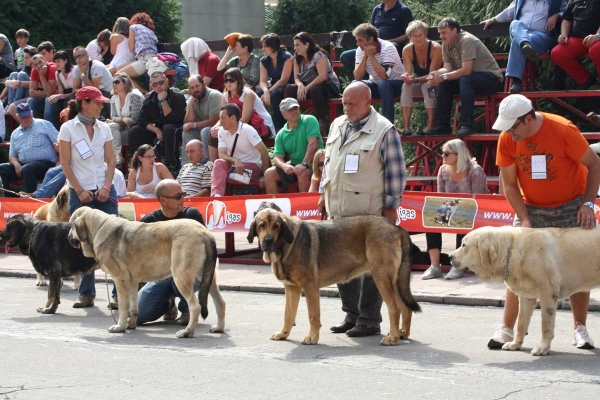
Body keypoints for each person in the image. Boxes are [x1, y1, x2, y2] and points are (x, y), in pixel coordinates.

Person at [489, 94, 600, 350]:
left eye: (512, 126)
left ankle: (579, 328)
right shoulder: (507, 138)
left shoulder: (562, 129)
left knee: (578, 265)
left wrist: (589, 203)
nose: (508, 132)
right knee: (515, 267)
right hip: (531, 208)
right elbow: (509, 184)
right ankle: (507, 328)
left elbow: (594, 164)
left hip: (571, 205)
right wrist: (525, 219)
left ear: (528, 118)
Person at [319, 81, 406, 338]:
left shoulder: (384, 130)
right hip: (339, 210)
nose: (347, 108)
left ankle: (369, 319)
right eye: (344, 103)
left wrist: (391, 207)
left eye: (352, 103)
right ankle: (351, 315)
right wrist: (322, 195)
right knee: (341, 265)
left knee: (372, 268)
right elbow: (328, 163)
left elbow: (396, 172)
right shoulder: (337, 125)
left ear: (368, 101)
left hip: (369, 214)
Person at [58, 86, 118, 308]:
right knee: (83, 243)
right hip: (79, 191)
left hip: (103, 188)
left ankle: (118, 295)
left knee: (114, 240)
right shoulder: (67, 129)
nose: (101, 105)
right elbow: (65, 163)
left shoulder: (105, 128)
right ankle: (86, 293)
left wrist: (106, 186)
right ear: (85, 103)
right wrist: (80, 190)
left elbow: (111, 160)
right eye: (98, 102)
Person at [136, 179, 208, 326]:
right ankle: (168, 305)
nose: (183, 199)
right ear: (163, 200)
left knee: (183, 275)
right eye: (178, 196)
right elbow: (140, 256)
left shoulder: (192, 215)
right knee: (139, 315)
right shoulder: (149, 221)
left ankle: (186, 309)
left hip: (189, 270)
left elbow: (206, 247)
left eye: (183, 194)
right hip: (160, 275)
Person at [421, 139, 489, 280]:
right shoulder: (443, 170)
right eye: (443, 153)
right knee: (431, 218)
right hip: (451, 206)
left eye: (446, 154)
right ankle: (435, 266)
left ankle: (458, 265)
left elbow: (479, 198)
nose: (443, 157)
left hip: (474, 209)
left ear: (459, 155)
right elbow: (441, 197)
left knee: (462, 218)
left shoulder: (475, 171)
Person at [426, 18, 503, 138]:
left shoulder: (467, 40)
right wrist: (436, 74)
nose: (441, 36)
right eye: (440, 33)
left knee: (465, 80)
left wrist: (444, 76)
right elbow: (447, 68)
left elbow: (466, 70)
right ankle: (443, 125)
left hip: (491, 79)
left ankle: (467, 125)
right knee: (446, 83)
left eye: (444, 32)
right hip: (470, 79)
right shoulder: (446, 44)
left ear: (454, 31)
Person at [482, 0, 566, 93]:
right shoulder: (521, 1)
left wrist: (557, 15)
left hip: (540, 37)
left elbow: (568, 12)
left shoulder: (556, 1)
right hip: (521, 32)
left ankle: (516, 82)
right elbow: (508, 11)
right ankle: (524, 44)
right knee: (515, 23)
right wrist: (493, 20)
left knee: (517, 41)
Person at [128, 71, 186, 175]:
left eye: (161, 83)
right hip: (159, 129)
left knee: (168, 129)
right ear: (151, 86)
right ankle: (137, 165)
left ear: (167, 81)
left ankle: (171, 165)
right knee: (135, 131)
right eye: (155, 84)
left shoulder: (177, 96)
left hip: (177, 128)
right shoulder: (150, 98)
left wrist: (163, 100)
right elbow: (142, 120)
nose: (158, 86)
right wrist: (156, 130)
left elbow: (175, 119)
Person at [263, 98, 323, 194]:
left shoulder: (309, 120)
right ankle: (273, 207)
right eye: (290, 110)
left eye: (295, 108)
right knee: (269, 174)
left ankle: (305, 207)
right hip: (295, 165)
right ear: (283, 114)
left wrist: (304, 164)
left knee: (302, 173)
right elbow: (277, 157)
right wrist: (284, 166)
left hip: (316, 162)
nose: (294, 111)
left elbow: (313, 145)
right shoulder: (281, 134)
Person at [210, 104, 270, 197]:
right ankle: (217, 197)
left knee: (220, 175)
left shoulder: (248, 130)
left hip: (252, 166)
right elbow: (221, 155)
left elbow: (264, 152)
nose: (220, 122)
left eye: (223, 118)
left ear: (233, 118)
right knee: (218, 163)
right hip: (232, 166)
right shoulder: (221, 131)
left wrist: (265, 176)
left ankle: (220, 186)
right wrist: (235, 160)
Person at [284, 32, 340, 132]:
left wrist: (307, 87)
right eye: (294, 45)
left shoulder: (319, 55)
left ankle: (321, 121)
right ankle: (293, 120)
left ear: (306, 45)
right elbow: (296, 78)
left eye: (297, 45)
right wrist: (300, 85)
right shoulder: (297, 59)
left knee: (315, 89)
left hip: (327, 86)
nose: (295, 48)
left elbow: (323, 76)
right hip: (308, 86)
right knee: (289, 88)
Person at [340, 0, 413, 74]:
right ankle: (367, 78)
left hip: (393, 47)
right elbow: (370, 31)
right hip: (374, 45)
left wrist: (389, 42)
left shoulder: (404, 10)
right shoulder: (377, 9)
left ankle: (380, 76)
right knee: (346, 56)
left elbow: (408, 35)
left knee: (391, 46)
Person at [352, 23, 405, 125]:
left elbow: (384, 76)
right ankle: (359, 122)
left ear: (371, 40)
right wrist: (365, 57)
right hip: (377, 84)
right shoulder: (360, 50)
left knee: (384, 84)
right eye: (357, 40)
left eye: (360, 40)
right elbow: (357, 76)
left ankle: (387, 125)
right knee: (356, 85)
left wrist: (371, 57)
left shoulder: (388, 48)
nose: (357, 44)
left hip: (396, 85)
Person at [0, 103, 58, 194]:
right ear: (18, 117)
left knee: (28, 169)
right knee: (2, 168)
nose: (26, 119)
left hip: (45, 163)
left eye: (28, 116)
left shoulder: (43, 124)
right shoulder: (15, 134)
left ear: (31, 113)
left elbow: (60, 142)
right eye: (23, 117)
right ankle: (7, 200)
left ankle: (30, 199)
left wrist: (59, 161)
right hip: (23, 165)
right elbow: (12, 156)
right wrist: (16, 164)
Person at [400, 20, 443, 135]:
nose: (418, 39)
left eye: (421, 35)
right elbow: (408, 73)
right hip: (421, 83)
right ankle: (406, 128)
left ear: (425, 35)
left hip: (439, 85)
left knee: (428, 85)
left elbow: (432, 75)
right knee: (406, 86)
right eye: (415, 36)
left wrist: (416, 80)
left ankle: (431, 124)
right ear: (410, 37)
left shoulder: (436, 48)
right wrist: (407, 77)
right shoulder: (407, 50)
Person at [211, 67, 276, 139]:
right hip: (238, 125)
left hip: (261, 126)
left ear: (238, 81)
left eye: (231, 80)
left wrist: (221, 129)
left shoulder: (247, 94)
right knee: (209, 133)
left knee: (228, 134)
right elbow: (222, 117)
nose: (228, 83)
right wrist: (215, 127)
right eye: (226, 80)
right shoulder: (225, 96)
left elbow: (245, 120)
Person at [550, 0, 600, 89]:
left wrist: (597, 36)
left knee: (596, 49)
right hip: (577, 39)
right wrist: (564, 35)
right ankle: (587, 80)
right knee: (557, 53)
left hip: (597, 39)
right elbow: (566, 19)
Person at [181, 74, 222, 164]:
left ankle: (206, 164)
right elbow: (187, 122)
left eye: (197, 86)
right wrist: (191, 105)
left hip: (218, 131)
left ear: (204, 84)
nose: (195, 90)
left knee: (205, 131)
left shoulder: (214, 96)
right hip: (201, 130)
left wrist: (193, 125)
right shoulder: (192, 99)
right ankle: (186, 166)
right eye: (192, 88)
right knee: (187, 132)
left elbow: (213, 121)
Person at [258, 33, 294, 131]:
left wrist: (268, 92)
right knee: (256, 94)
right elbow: (262, 81)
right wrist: (265, 91)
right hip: (273, 86)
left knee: (275, 95)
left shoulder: (287, 57)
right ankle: (260, 127)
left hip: (287, 86)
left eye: (265, 46)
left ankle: (280, 127)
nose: (263, 49)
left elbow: (284, 79)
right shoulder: (264, 61)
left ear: (273, 47)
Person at [108, 72, 144, 167]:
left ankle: (116, 165)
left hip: (135, 130)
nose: (114, 84)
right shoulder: (113, 98)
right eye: (113, 82)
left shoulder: (134, 96)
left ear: (125, 83)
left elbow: (133, 120)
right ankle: (117, 157)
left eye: (117, 82)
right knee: (110, 127)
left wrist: (118, 120)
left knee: (108, 136)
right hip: (122, 128)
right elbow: (113, 118)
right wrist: (123, 119)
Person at [117, 12, 158, 91]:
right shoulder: (151, 32)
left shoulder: (133, 27)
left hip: (145, 60)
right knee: (119, 67)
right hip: (153, 59)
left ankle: (143, 93)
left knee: (119, 76)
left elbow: (131, 48)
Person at [44, 51, 75, 129]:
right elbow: (61, 91)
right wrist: (57, 97)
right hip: (65, 94)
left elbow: (74, 91)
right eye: (55, 61)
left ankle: (68, 127)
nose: (56, 64)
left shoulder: (74, 71)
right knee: (51, 101)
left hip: (75, 93)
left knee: (68, 101)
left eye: (59, 61)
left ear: (66, 60)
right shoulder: (58, 74)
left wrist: (60, 96)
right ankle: (52, 128)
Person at [4, 45, 35, 115]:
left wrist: (19, 83)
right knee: (13, 74)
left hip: (30, 94)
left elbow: (35, 84)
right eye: (24, 58)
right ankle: (10, 104)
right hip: (22, 92)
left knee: (21, 74)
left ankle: (15, 104)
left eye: (27, 58)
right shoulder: (26, 69)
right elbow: (9, 82)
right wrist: (9, 82)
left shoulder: (36, 69)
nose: (24, 60)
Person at [26, 54, 58, 122]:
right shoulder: (34, 70)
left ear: (45, 60)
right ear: (33, 66)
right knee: (31, 100)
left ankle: (47, 128)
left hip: (58, 99)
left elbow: (50, 93)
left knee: (48, 99)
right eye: (35, 64)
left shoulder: (52, 68)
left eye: (40, 62)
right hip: (47, 97)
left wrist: (42, 76)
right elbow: (31, 92)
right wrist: (46, 93)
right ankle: (35, 127)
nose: (39, 66)